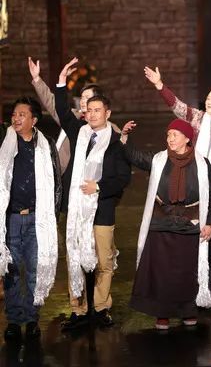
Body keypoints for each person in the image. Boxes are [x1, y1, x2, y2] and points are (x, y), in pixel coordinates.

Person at [144, 67, 211, 290]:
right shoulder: (198, 118)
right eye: (207, 98)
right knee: (199, 225)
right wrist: (160, 85)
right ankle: (198, 272)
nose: (209, 102)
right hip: (197, 182)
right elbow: (177, 106)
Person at [55, 58, 131, 330]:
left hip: (102, 209)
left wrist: (98, 186)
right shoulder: (79, 133)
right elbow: (62, 111)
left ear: (107, 113)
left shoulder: (116, 141)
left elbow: (123, 178)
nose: (93, 114)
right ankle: (78, 309)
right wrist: (61, 82)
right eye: (89, 110)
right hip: (77, 209)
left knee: (104, 261)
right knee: (75, 259)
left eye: (98, 110)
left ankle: (100, 307)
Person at [123, 119, 211, 329]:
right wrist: (125, 137)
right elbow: (135, 157)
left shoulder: (203, 164)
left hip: (190, 224)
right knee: (161, 272)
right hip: (162, 222)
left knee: (187, 272)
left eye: (175, 135)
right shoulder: (159, 160)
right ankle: (162, 313)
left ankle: (188, 311)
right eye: (168, 135)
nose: (170, 139)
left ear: (187, 139)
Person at [0, 97, 62, 342]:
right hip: (11, 219)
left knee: (36, 270)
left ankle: (32, 319)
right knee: (12, 271)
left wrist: (54, 216)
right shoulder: (4, 141)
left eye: (22, 114)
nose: (16, 118)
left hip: (38, 218)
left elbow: (56, 182)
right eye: (14, 114)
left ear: (34, 120)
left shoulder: (46, 145)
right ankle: (14, 321)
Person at [28, 57, 122, 174]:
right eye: (82, 97)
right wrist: (37, 79)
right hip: (56, 172)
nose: (82, 101)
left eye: (87, 98)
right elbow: (52, 102)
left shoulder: (108, 128)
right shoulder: (72, 115)